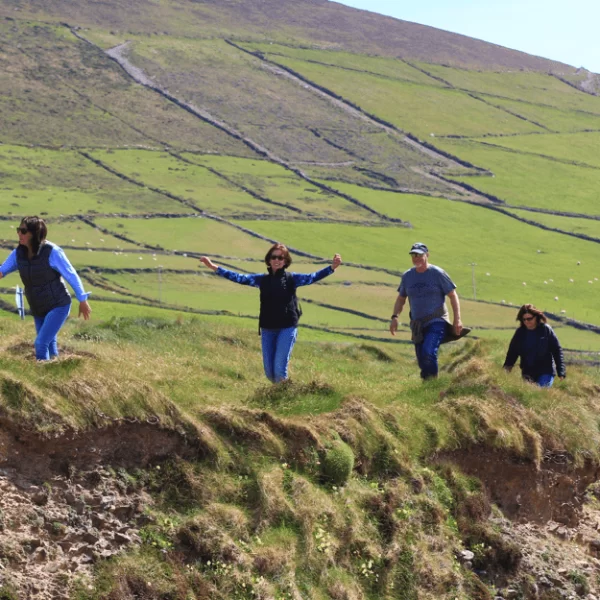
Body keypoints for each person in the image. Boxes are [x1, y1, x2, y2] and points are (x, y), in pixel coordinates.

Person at [200, 244, 342, 383]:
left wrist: (332, 268)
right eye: (274, 257)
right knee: (269, 373)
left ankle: (285, 401)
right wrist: (213, 267)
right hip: (268, 328)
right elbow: (239, 277)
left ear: (286, 261)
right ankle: (281, 396)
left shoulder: (292, 279)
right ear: (269, 259)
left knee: (279, 371)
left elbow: (312, 277)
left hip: (287, 327)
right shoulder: (262, 280)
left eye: (281, 258)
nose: (277, 260)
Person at [0, 216, 92, 361]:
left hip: (58, 305)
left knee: (40, 343)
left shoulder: (52, 252)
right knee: (49, 344)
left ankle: (42, 375)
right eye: (19, 230)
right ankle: (54, 373)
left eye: (23, 231)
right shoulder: (18, 253)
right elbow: (1, 271)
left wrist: (82, 299)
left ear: (34, 233)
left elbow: (71, 275)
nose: (19, 233)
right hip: (38, 307)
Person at [390, 242, 465, 379]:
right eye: (413, 255)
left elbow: (453, 295)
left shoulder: (437, 273)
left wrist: (457, 319)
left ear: (427, 255)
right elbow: (401, 298)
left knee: (428, 352)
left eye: (419, 254)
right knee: (422, 359)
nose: (416, 257)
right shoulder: (407, 276)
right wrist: (395, 317)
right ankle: (427, 386)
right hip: (417, 324)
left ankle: (433, 384)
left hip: (437, 321)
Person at [503, 304, 565, 387]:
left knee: (540, 391)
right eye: (524, 319)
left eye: (529, 318)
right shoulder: (520, 333)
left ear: (536, 317)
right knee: (530, 395)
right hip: (527, 372)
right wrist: (506, 369)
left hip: (546, 371)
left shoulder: (546, 330)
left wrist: (561, 371)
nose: (526, 321)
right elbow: (512, 352)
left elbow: (557, 350)